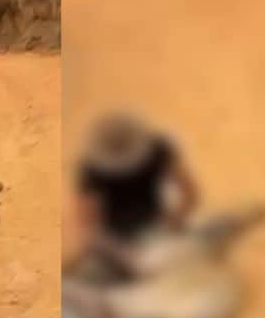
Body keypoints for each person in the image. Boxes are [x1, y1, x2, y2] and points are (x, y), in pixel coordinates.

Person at [70, 112, 199, 279]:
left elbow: (188, 190)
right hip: (114, 240)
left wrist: (175, 221)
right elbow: (88, 225)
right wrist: (123, 255)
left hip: (157, 227)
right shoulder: (91, 171)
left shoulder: (158, 149)